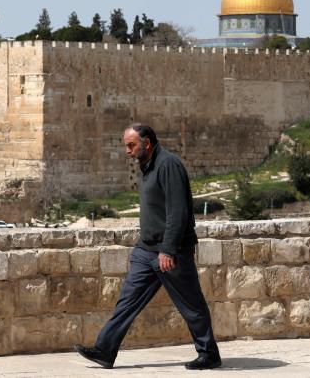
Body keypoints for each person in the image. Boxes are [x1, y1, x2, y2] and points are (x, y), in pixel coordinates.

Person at [75, 124, 221, 370]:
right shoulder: (147, 167)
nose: (127, 151)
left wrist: (168, 249)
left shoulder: (168, 165)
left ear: (147, 143)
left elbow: (178, 212)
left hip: (170, 250)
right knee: (127, 301)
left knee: (190, 303)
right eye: (126, 145)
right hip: (146, 249)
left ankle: (209, 353)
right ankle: (105, 350)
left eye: (131, 145)